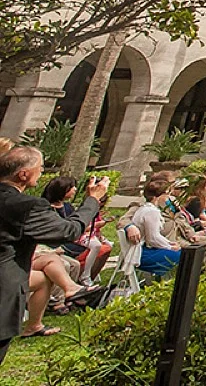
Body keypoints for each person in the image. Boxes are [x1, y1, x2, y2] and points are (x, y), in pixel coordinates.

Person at [0, 146, 107, 362]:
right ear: (24, 174)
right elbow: (69, 231)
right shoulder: (26, 206)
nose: (41, 173)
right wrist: (92, 201)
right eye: (39, 168)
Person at [41, 177, 111, 284]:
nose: (75, 189)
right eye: (72, 187)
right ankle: (83, 278)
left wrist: (90, 197)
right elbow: (71, 228)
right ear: (62, 190)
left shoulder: (67, 206)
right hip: (60, 244)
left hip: (71, 238)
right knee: (92, 248)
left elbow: (80, 220)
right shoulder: (47, 209)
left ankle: (80, 284)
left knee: (102, 247)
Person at [135, 177, 183, 277]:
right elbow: (153, 238)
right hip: (142, 253)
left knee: (181, 251)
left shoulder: (145, 208)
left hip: (144, 249)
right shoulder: (152, 212)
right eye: (166, 194)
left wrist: (170, 243)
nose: (167, 197)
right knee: (182, 256)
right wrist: (169, 247)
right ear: (157, 197)